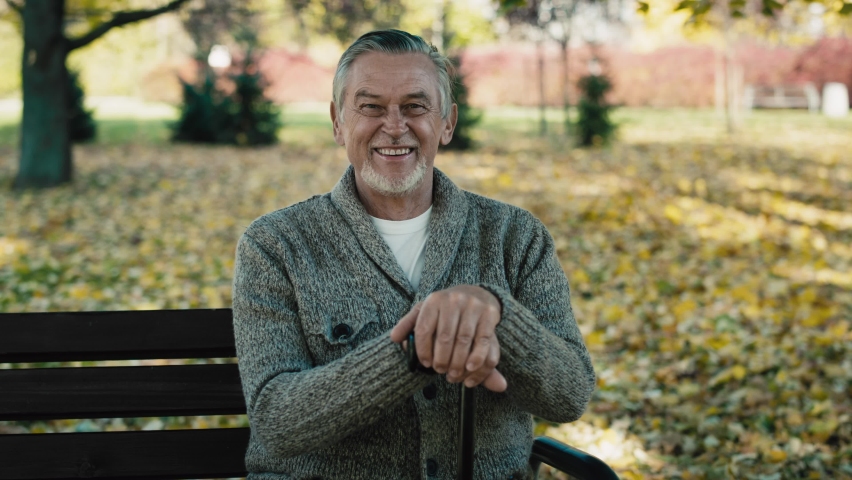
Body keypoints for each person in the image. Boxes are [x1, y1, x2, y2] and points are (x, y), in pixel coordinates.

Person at [232, 29, 595, 480]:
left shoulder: (515, 236)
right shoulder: (276, 244)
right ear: (337, 121)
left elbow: (570, 395)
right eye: (370, 107)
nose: (395, 125)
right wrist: (419, 350)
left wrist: (499, 315)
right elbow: (277, 419)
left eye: (415, 106)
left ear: (447, 122)